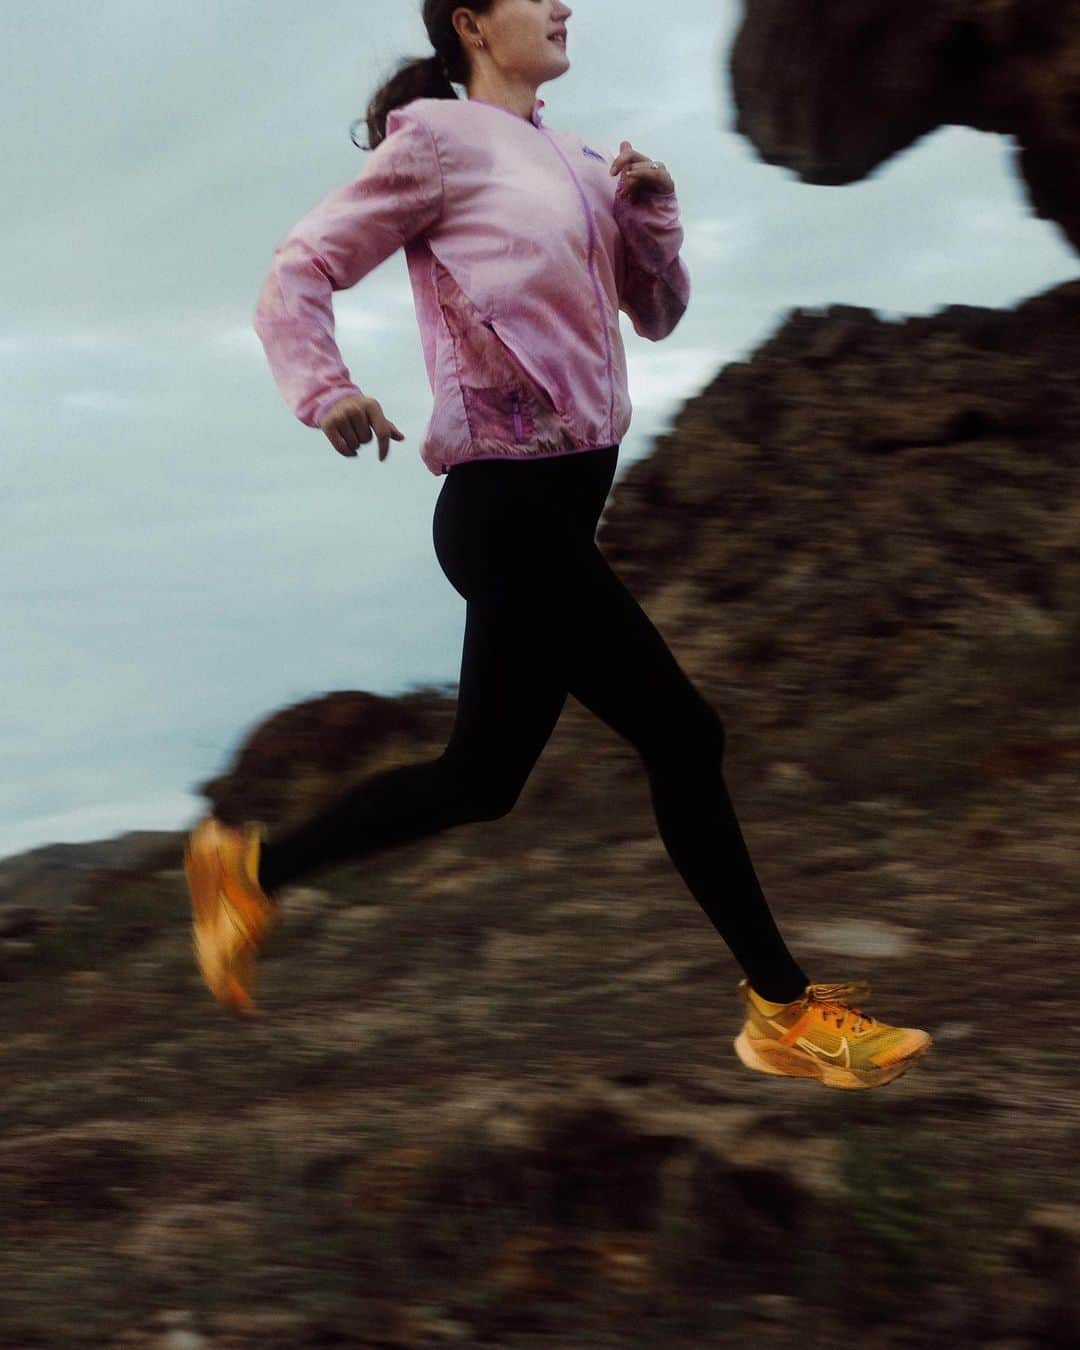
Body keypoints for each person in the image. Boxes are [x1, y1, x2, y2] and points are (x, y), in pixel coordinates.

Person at [184, 0, 932, 1090]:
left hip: (553, 515)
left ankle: (248, 872)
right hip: (504, 510)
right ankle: (784, 1012)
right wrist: (328, 390)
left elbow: (658, 313)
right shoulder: (434, 141)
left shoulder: (580, 158)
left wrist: (652, 213)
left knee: (480, 779)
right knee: (685, 734)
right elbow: (296, 272)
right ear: (473, 24)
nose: (565, 4)